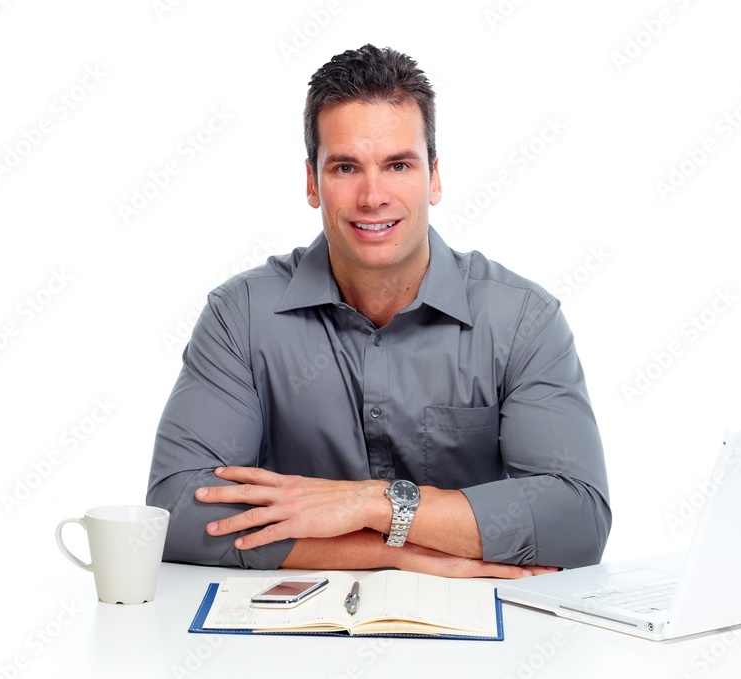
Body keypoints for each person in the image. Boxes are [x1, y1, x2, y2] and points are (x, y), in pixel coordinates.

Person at [147, 44, 610, 579]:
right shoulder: (241, 315)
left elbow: (577, 520)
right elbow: (177, 508)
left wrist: (372, 503)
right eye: (346, 167)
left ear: (433, 178)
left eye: (398, 165)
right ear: (312, 183)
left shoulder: (522, 320)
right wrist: (398, 554)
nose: (373, 196)